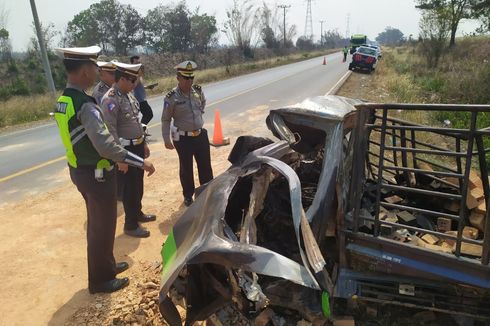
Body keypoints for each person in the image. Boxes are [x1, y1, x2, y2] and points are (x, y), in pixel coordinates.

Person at [53, 45, 155, 294]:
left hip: (79, 170)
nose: (95, 72)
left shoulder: (64, 100)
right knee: (102, 228)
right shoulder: (85, 104)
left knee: (101, 224)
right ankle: (100, 280)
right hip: (96, 174)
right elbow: (106, 145)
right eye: (93, 67)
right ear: (86, 71)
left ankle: (107, 266)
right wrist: (140, 162)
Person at [100, 62, 156, 238]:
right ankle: (130, 225)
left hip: (137, 145)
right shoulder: (110, 99)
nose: (135, 84)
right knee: (129, 189)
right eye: (132, 80)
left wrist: (143, 142)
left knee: (137, 184)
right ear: (122, 79)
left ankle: (137, 213)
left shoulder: (129, 95)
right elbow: (110, 130)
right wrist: (119, 158)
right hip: (125, 150)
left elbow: (136, 122)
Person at [161, 61, 213, 207]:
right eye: (186, 78)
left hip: (200, 135)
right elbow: (165, 119)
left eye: (192, 78)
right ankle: (188, 195)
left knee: (205, 166)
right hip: (183, 138)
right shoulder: (171, 97)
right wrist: (166, 138)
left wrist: (196, 119)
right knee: (186, 167)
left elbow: (202, 104)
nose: (190, 81)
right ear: (178, 78)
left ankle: (206, 191)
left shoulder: (197, 91)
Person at [130, 55, 155, 126]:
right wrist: (138, 76)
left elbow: (138, 86)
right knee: (149, 114)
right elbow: (132, 87)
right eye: (136, 63)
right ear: (131, 64)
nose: (138, 64)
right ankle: (141, 131)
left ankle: (140, 131)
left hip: (142, 98)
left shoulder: (138, 74)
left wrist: (147, 87)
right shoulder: (132, 74)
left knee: (145, 115)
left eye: (139, 62)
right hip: (138, 99)